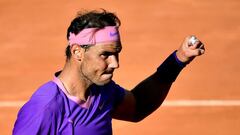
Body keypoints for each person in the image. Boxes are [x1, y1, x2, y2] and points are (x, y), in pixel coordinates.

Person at [13, 9, 205, 135]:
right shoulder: (45, 107)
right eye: (105, 54)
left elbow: (138, 106)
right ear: (77, 51)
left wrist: (178, 60)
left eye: (116, 53)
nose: (115, 63)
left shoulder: (101, 91)